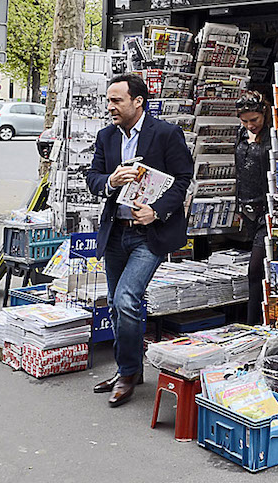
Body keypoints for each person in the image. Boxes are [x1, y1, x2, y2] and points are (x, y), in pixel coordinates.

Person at [86, 74, 193, 407]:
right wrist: (111, 180)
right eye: (108, 100)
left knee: (126, 300)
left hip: (149, 234)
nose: (110, 106)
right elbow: (93, 178)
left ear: (137, 101)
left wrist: (156, 212)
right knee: (115, 304)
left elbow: (183, 179)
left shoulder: (166, 133)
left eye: (116, 100)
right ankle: (128, 369)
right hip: (116, 232)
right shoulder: (106, 136)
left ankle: (128, 373)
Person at [234, 90, 272, 325]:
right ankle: (256, 320)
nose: (250, 125)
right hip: (248, 208)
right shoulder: (241, 134)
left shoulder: (271, 136)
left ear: (264, 114)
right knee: (258, 268)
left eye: (254, 120)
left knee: (255, 268)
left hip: (267, 209)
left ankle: (252, 322)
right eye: (245, 121)